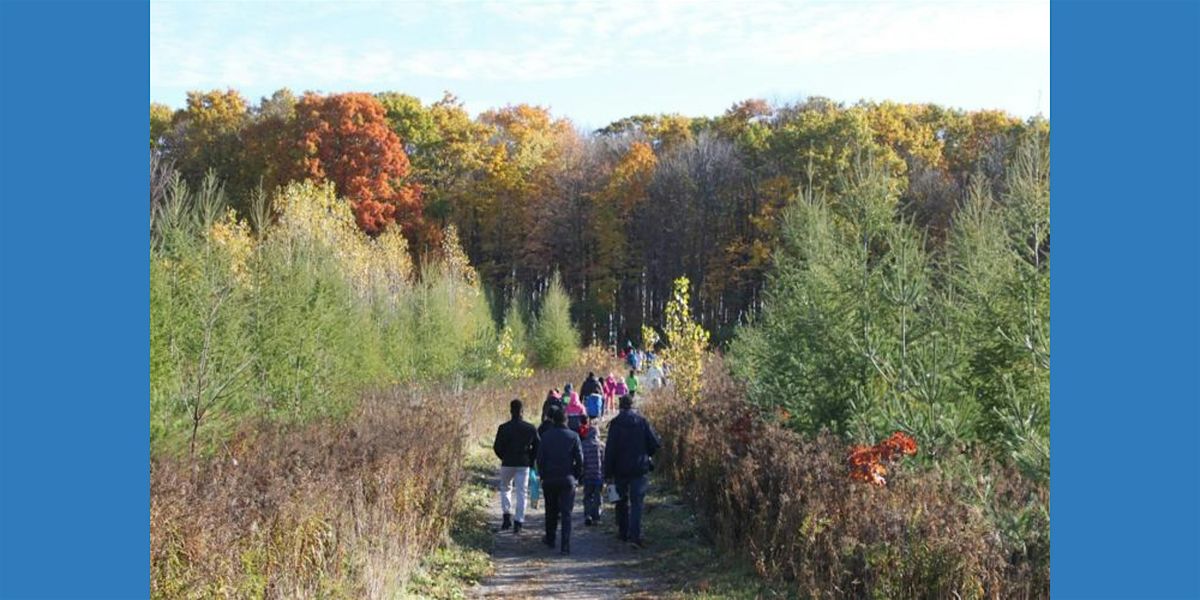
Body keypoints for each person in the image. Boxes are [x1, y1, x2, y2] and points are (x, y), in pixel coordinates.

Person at [604, 394, 661, 548]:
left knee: (620, 501)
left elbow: (610, 450)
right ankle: (635, 536)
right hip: (639, 468)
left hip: (620, 469)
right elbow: (654, 443)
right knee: (637, 503)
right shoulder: (642, 422)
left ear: (619, 406)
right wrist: (646, 455)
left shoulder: (615, 425)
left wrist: (607, 473)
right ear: (632, 405)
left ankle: (623, 532)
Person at [536, 409, 584, 555]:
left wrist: (543, 475)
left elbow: (540, 459)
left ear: (553, 421)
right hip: (567, 478)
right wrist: (575, 476)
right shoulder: (574, 436)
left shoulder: (545, 436)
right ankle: (565, 544)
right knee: (566, 513)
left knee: (550, 510)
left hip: (550, 479)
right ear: (566, 420)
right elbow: (580, 460)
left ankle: (550, 539)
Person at [492, 399, 539, 534]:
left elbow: (496, 447)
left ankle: (506, 516)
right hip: (523, 463)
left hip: (507, 462)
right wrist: (531, 459)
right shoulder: (530, 428)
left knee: (506, 489)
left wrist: (503, 457)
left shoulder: (503, 428)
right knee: (521, 492)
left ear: (510, 411)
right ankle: (518, 522)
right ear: (522, 411)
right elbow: (538, 445)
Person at [578, 415, 605, 526]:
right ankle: (596, 516)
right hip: (598, 476)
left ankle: (587, 515)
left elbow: (581, 461)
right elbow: (604, 461)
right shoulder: (601, 446)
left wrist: (581, 473)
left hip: (587, 475)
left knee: (588, 496)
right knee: (597, 497)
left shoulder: (583, 445)